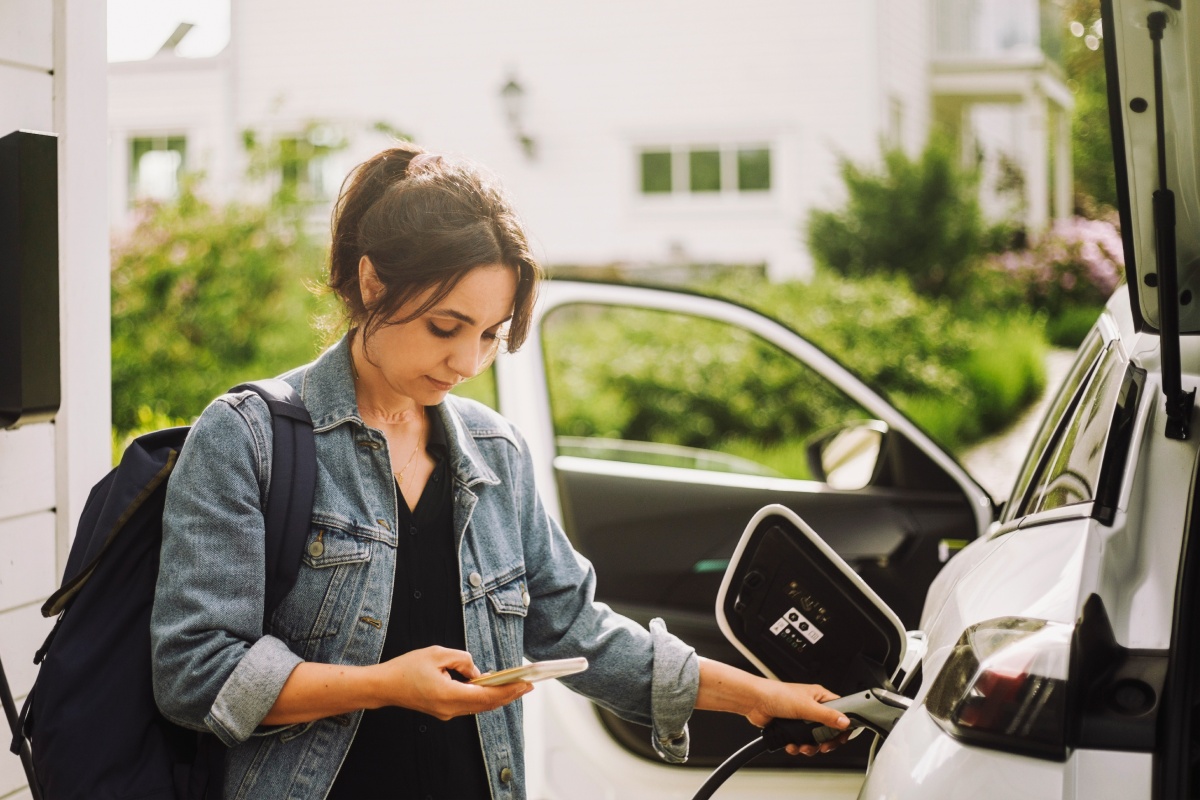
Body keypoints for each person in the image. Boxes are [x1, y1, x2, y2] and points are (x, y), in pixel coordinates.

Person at [150, 144, 851, 800]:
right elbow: (195, 674)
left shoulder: (495, 453)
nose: (468, 362)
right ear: (372, 283)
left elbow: (579, 632)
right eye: (445, 327)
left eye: (489, 334)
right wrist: (383, 685)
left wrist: (759, 696)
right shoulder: (248, 438)